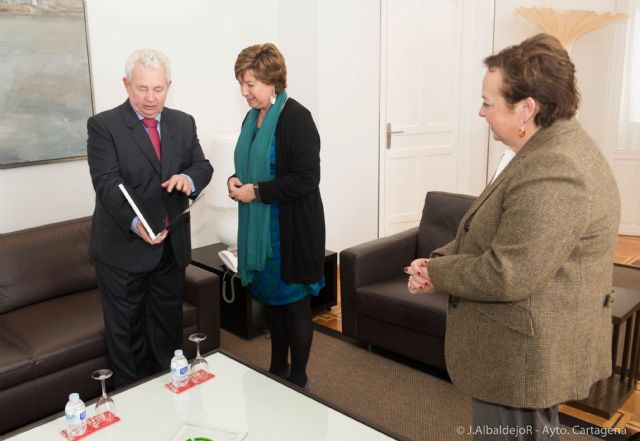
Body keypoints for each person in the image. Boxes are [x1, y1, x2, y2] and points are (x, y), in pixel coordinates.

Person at [406, 34, 620, 440]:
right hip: (516, 345)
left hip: (521, 358)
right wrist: (437, 260)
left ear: (526, 109)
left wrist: (439, 274)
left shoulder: (555, 168)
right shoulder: (544, 147)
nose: (480, 112)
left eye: (488, 103)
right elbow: (492, 230)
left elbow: (508, 272)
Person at [87, 49, 213, 387]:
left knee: (167, 333)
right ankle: (133, 412)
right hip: (122, 252)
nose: (150, 98)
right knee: (127, 339)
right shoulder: (104, 126)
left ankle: (168, 399)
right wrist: (135, 223)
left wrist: (188, 179)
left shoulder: (183, 122)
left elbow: (202, 166)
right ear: (127, 85)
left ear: (169, 86)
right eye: (142, 89)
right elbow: (107, 183)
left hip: (169, 251)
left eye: (158, 89)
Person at [228, 43, 325, 388]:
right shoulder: (251, 117)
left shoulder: (296, 117)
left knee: (294, 304)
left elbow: (306, 179)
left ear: (273, 81)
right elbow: (248, 164)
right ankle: (276, 368)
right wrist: (235, 181)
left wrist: (257, 191)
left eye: (250, 84)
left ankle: (298, 377)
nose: (244, 92)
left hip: (290, 230)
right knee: (271, 302)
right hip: (260, 230)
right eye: (241, 83)